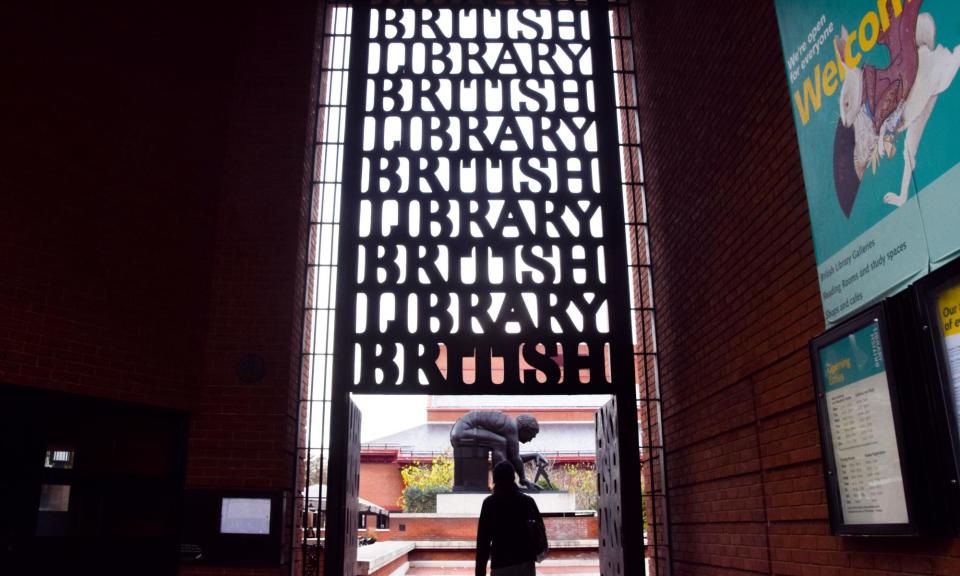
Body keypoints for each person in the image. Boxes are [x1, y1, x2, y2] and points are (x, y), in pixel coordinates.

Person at [475, 461, 546, 576]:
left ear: (495, 479)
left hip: (501, 563)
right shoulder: (527, 501)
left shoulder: (489, 503)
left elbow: (483, 542)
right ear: (513, 477)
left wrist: (480, 572)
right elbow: (540, 530)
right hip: (526, 563)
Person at [450, 410, 547, 490]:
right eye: (531, 436)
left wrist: (534, 455)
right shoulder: (511, 426)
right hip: (462, 433)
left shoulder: (508, 425)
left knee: (500, 442)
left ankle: (503, 484)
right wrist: (523, 479)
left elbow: (510, 457)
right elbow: (515, 458)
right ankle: (503, 484)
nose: (530, 440)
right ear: (525, 429)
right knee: (500, 442)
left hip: (460, 432)